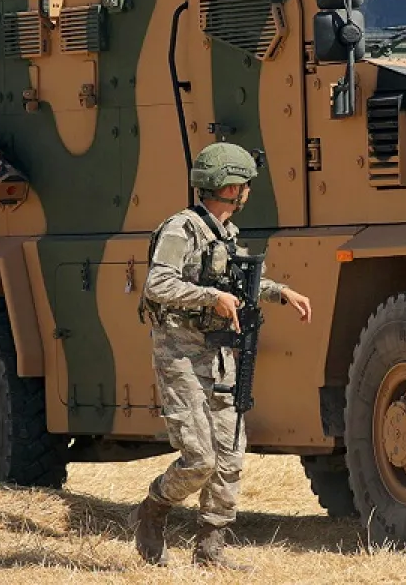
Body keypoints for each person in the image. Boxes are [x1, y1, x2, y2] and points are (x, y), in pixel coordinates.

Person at [129, 143, 312, 568]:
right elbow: (158, 284)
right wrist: (210, 298)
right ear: (230, 186)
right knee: (200, 459)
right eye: (244, 183)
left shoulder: (225, 232)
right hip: (181, 355)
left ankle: (210, 548)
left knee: (230, 454)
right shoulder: (181, 229)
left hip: (220, 356)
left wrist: (282, 292)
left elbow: (244, 280)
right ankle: (152, 511)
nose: (248, 191)